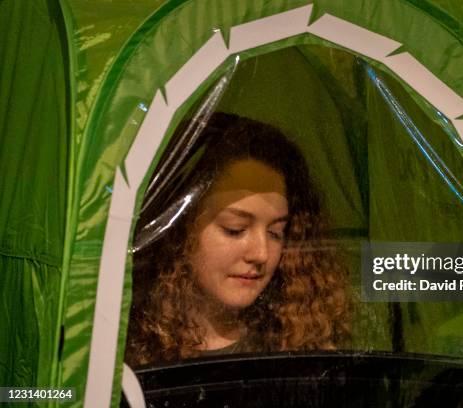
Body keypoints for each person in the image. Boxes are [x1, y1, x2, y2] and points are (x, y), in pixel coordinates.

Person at [125, 112, 353, 366]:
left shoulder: (304, 347)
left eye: (276, 233)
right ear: (178, 230)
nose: (261, 254)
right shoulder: (118, 345)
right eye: (235, 229)